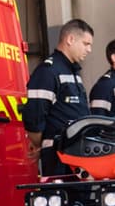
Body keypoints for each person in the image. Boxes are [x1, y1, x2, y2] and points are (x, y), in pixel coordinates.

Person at [22, 19, 95, 176]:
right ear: (70, 39)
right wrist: (40, 144)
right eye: (86, 44)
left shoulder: (73, 73)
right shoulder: (48, 71)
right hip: (59, 158)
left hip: (79, 154)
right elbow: (34, 117)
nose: (89, 50)